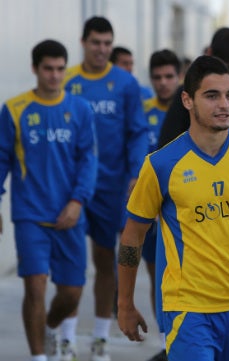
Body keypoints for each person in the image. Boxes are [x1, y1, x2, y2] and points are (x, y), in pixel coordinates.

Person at [116, 55, 229, 360]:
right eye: (212, 95)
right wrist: (125, 304)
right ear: (187, 100)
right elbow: (132, 236)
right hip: (188, 310)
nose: (225, 104)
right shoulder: (161, 165)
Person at [0, 39, 98, 361]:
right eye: (48, 69)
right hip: (30, 215)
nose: (55, 76)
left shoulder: (80, 110)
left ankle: (51, 328)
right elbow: (1, 159)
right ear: (35, 69)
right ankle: (39, 356)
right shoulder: (13, 109)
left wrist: (77, 201)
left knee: (71, 293)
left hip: (70, 214)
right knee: (35, 288)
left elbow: (88, 160)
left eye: (59, 69)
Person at [63, 16, 149, 361]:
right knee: (69, 266)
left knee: (103, 262)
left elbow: (138, 132)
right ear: (83, 42)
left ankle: (100, 338)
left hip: (110, 188)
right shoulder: (66, 80)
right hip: (69, 190)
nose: (101, 49)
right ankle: (66, 339)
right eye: (96, 42)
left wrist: (134, 174)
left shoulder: (125, 83)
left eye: (107, 43)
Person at [157, 27, 229, 147]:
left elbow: (168, 141)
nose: (226, 105)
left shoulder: (190, 89)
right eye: (212, 96)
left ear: (209, 52)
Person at [141, 48, 181, 361]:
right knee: (159, 277)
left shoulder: (190, 112)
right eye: (158, 77)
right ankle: (167, 340)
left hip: (185, 213)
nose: (163, 83)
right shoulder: (141, 112)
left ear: (180, 78)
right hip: (150, 211)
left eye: (169, 76)